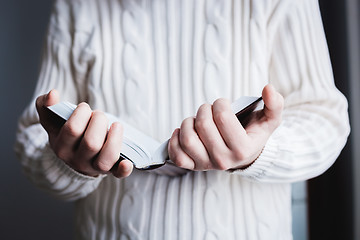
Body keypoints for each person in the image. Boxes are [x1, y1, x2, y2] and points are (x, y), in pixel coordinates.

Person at [15, 0, 350, 239]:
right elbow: (32, 136)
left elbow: (326, 119)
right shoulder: (75, 5)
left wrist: (259, 152)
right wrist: (70, 163)